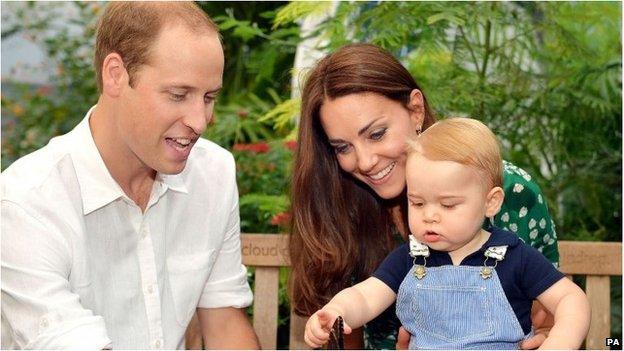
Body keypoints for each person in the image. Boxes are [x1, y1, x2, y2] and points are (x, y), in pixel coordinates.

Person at [1, 2, 259, 349]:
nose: (200, 121)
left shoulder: (213, 173)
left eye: (209, 97)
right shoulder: (27, 202)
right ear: (115, 75)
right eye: (178, 95)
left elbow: (225, 324)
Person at [289, 43, 560, 349]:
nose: (364, 162)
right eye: (343, 147)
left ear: (415, 109)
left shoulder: (506, 188)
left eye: (376, 134)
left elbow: (549, 315)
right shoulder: (342, 202)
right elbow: (349, 323)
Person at [303, 117, 590, 349]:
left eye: (448, 204)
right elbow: (364, 298)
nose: (429, 215)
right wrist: (336, 311)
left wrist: (560, 343)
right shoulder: (410, 259)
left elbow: (570, 299)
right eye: (417, 202)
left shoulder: (513, 256)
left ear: (491, 202)